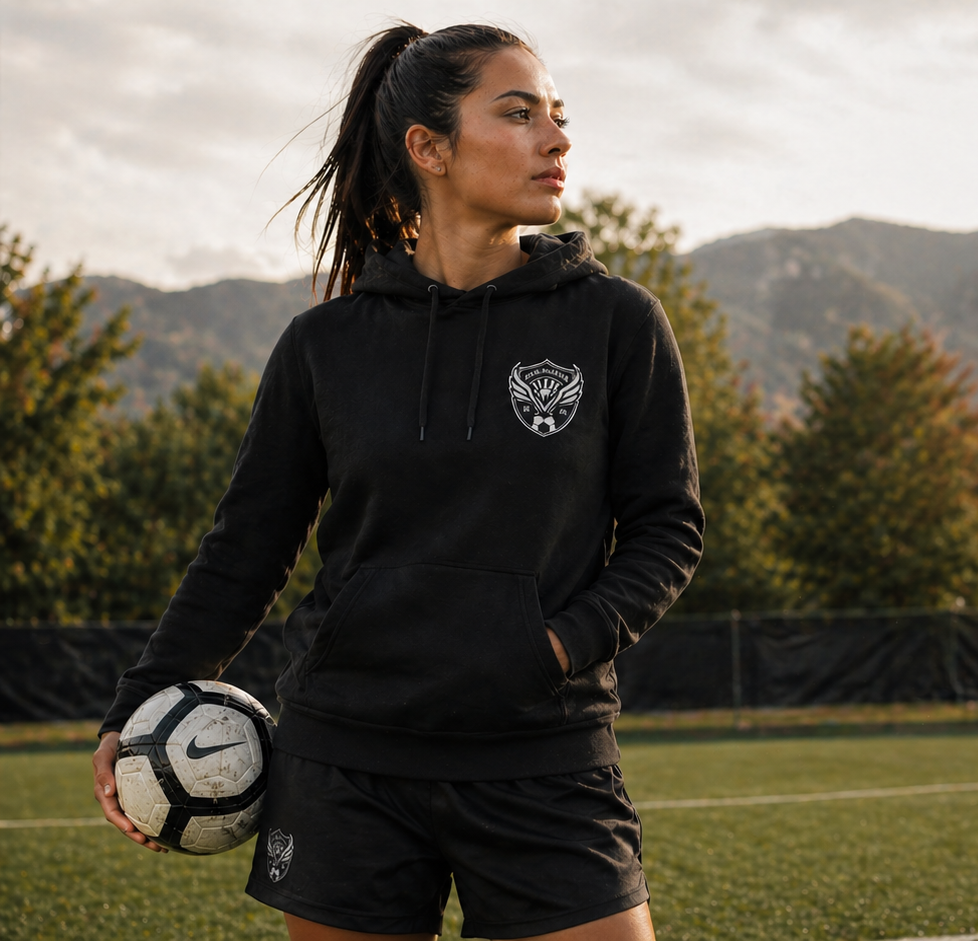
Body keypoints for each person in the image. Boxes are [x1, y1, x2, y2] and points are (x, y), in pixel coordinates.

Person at [90, 22, 701, 941]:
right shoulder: (324, 345)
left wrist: (555, 648)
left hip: (541, 751)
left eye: (559, 115)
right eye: (519, 112)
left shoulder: (615, 322)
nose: (557, 137)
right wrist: (141, 699)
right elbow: (247, 546)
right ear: (429, 148)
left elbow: (668, 529)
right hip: (346, 760)